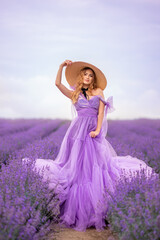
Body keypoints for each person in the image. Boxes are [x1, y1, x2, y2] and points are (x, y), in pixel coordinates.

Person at [22, 60, 157, 232]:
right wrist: (61, 67)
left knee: (94, 169)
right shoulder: (75, 93)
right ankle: (77, 213)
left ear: (93, 79)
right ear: (81, 77)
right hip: (76, 134)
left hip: (92, 133)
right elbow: (57, 84)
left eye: (90, 75)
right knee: (77, 171)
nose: (87, 77)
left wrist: (98, 130)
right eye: (85, 74)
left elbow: (101, 112)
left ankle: (95, 211)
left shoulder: (99, 91)